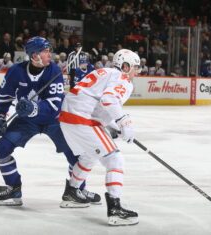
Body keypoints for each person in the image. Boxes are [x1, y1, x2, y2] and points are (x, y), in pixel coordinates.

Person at [0, 36, 100, 206]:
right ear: (34, 55)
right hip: (27, 121)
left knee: (75, 155)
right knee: (1, 149)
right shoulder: (15, 71)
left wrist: (34, 108)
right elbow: (4, 98)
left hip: (53, 120)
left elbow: (55, 106)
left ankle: (76, 190)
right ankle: (14, 189)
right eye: (46, 51)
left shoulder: (54, 70)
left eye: (49, 50)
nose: (50, 54)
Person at [59, 49, 140, 226]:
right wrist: (124, 122)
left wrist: (110, 125)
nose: (137, 72)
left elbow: (94, 100)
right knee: (114, 159)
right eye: (135, 67)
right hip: (82, 119)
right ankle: (115, 209)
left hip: (68, 117)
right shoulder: (123, 78)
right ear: (125, 66)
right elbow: (109, 100)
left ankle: (72, 192)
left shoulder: (102, 72)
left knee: (90, 155)